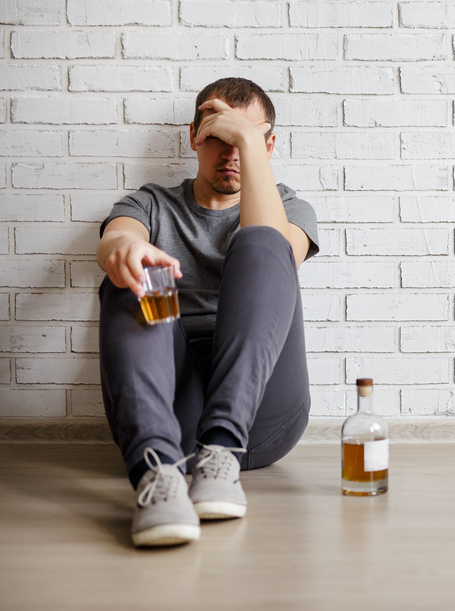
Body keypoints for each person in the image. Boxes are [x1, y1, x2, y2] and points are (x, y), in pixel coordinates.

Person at [96, 78, 319, 547]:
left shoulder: (290, 208)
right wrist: (123, 250)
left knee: (263, 242)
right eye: (220, 135)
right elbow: (118, 236)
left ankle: (222, 448)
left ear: (267, 144)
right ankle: (157, 474)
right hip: (172, 414)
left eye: (248, 138)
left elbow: (279, 253)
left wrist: (245, 139)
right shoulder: (152, 203)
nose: (232, 151)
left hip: (261, 413)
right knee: (134, 268)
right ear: (194, 136)